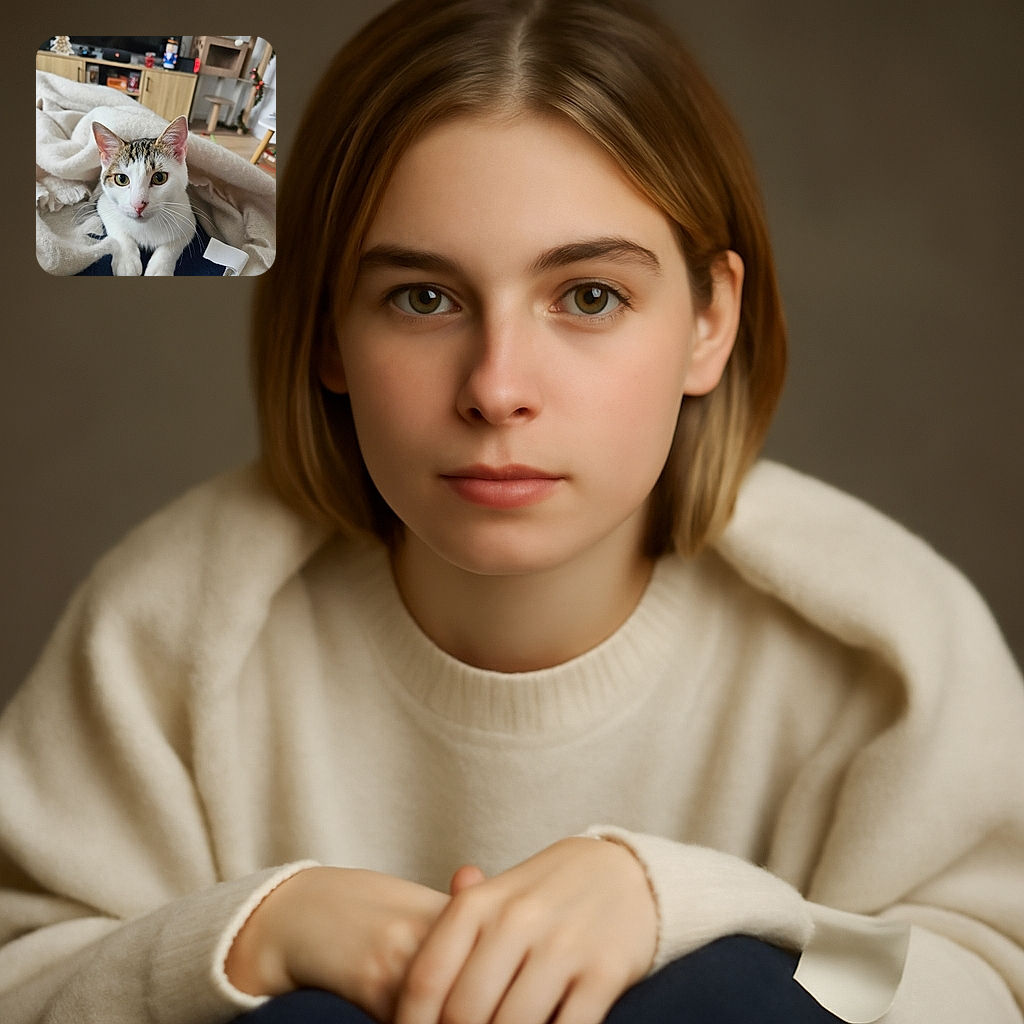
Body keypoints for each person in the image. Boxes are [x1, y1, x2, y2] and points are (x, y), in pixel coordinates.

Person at [2, 1, 1023, 1022]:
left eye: (586, 296)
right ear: (325, 333)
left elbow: (992, 974)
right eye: (421, 297)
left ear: (710, 323)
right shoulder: (169, 631)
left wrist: (679, 903)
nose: (496, 387)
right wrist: (265, 929)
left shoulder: (884, 643)